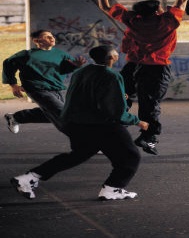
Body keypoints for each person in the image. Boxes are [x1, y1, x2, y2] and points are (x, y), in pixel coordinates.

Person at [85, 0, 189, 155]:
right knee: (150, 104)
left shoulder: (133, 20)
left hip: (133, 66)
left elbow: (106, 6)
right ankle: (148, 137)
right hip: (156, 67)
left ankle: (109, 135)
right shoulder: (167, 22)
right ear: (157, 12)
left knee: (121, 99)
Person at [10, 45, 149, 200]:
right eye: (116, 53)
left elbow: (80, 96)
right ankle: (112, 189)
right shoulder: (112, 76)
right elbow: (114, 111)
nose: (118, 55)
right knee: (130, 156)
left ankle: (29, 178)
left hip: (76, 123)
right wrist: (137, 121)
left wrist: (116, 95)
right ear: (111, 58)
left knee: (78, 155)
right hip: (102, 125)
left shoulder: (81, 72)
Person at [2, 29, 86, 134]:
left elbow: (64, 70)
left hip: (55, 89)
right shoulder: (27, 55)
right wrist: (13, 85)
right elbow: (8, 63)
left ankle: (16, 117)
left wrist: (75, 66)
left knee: (50, 115)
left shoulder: (61, 54)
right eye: (47, 36)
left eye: (52, 36)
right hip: (36, 89)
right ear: (37, 41)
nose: (52, 38)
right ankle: (83, 139)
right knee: (63, 113)